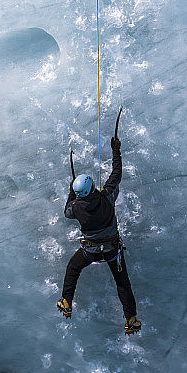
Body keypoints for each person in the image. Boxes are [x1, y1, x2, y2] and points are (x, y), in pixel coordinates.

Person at [57, 136, 141, 334]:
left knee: (73, 268)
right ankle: (130, 319)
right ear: (92, 186)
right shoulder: (107, 197)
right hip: (112, 250)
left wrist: (72, 192)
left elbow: (67, 211)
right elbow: (116, 174)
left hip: (90, 252)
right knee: (122, 283)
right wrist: (116, 150)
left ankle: (66, 301)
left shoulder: (76, 207)